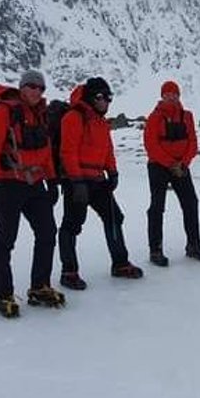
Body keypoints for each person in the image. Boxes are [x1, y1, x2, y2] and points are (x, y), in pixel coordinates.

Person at [0, 70, 63, 318]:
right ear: (22, 87)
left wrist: (52, 180)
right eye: (31, 86)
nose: (36, 92)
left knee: (47, 232)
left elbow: (45, 150)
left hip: (35, 183)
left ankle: (39, 287)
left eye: (40, 88)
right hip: (8, 185)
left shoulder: (40, 114)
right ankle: (3, 294)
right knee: (6, 239)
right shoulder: (4, 111)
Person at [58, 77, 144, 290]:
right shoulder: (73, 117)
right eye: (100, 97)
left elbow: (107, 150)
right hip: (77, 180)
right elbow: (67, 151)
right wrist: (76, 180)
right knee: (72, 224)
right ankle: (69, 271)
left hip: (97, 179)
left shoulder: (100, 122)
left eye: (109, 97)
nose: (105, 101)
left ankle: (120, 263)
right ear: (90, 97)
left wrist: (112, 171)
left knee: (114, 217)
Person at [142, 80, 200, 266]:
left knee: (191, 203)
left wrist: (184, 163)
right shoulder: (154, 117)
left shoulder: (187, 116)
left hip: (181, 165)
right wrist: (171, 163)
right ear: (162, 96)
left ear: (179, 96)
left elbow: (193, 142)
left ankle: (193, 245)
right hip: (159, 166)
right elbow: (151, 145)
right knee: (157, 207)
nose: (171, 97)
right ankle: (155, 249)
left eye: (174, 94)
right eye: (167, 94)